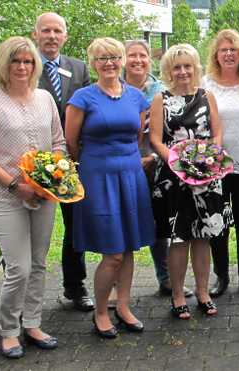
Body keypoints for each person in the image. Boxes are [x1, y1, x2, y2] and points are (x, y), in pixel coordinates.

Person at [0, 36, 63, 359]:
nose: (22, 67)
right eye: (15, 61)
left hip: (44, 194)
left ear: (35, 65)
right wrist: (15, 185)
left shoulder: (46, 99)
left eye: (28, 61)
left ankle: (33, 322)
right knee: (18, 267)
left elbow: (58, 143)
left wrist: (53, 179)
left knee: (38, 262)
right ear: (3, 64)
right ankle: (9, 329)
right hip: (5, 195)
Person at [65, 37, 153, 339]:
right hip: (98, 177)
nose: (109, 63)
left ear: (123, 60)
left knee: (129, 248)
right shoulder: (82, 98)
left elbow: (135, 137)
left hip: (131, 174)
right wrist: (94, 164)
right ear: (93, 62)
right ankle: (101, 312)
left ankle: (124, 306)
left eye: (115, 57)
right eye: (102, 58)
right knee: (113, 252)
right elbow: (71, 142)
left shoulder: (136, 97)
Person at [150, 44, 229, 320]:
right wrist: (178, 163)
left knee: (203, 237)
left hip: (207, 177)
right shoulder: (160, 99)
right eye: (177, 67)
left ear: (196, 68)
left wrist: (209, 160)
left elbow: (217, 133)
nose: (183, 71)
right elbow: (155, 140)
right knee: (179, 238)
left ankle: (203, 292)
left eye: (187, 66)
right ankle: (178, 295)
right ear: (169, 71)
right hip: (175, 180)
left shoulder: (207, 96)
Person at [32, 11, 92, 312]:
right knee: (33, 231)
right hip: (34, 161)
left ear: (65, 36)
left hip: (71, 162)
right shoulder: (25, 67)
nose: (52, 36)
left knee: (74, 226)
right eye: (46, 31)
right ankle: (26, 296)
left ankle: (75, 286)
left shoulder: (79, 68)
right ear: (35, 35)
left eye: (57, 31)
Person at [124, 39, 193, 299]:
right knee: (123, 222)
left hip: (157, 165)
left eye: (142, 55)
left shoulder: (161, 90)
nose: (138, 60)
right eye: (132, 55)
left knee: (161, 224)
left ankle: (165, 278)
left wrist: (154, 156)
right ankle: (119, 285)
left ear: (150, 60)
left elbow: (167, 133)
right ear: (123, 59)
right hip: (123, 167)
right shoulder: (114, 88)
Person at [204, 29, 239, 298]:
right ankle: (222, 276)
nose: (228, 54)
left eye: (233, 49)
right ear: (216, 55)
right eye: (223, 49)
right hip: (215, 164)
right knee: (218, 221)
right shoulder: (206, 84)